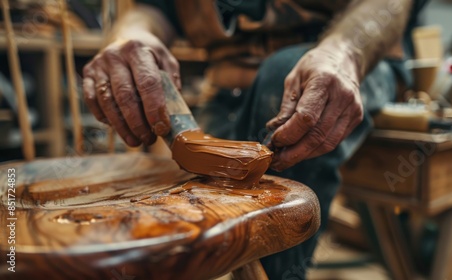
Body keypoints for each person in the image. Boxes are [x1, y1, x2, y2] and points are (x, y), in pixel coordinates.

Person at [83, 0, 427, 278]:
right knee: (202, 219)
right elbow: (153, 7)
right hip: (226, 79)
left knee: (281, 82)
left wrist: (344, 53)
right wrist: (131, 36)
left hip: (349, 57)